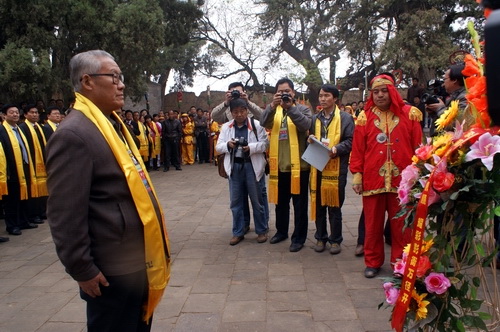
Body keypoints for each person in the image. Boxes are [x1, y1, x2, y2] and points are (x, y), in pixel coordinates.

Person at [45, 50, 170, 332]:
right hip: (112, 268)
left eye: (120, 77)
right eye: (114, 77)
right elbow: (65, 212)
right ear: (87, 81)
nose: (121, 84)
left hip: (138, 258)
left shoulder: (112, 125)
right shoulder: (73, 134)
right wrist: (82, 268)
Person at [350, 73, 423, 278]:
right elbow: (358, 150)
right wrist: (357, 175)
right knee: (372, 224)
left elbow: (419, 148)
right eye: (376, 92)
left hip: (403, 181)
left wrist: (420, 175)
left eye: (384, 91)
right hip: (373, 178)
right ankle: (372, 261)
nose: (380, 95)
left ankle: (400, 264)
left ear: (392, 91)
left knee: (401, 226)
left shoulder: (410, 114)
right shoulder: (364, 117)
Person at [260, 78, 312, 252]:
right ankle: (281, 231)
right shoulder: (275, 110)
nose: (284, 95)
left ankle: (298, 237)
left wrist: (290, 108)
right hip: (279, 166)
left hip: (300, 167)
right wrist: (272, 106)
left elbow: (306, 125)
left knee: (299, 205)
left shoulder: (303, 108)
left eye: (287, 92)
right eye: (280, 92)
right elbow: (262, 122)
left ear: (293, 92)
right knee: (280, 203)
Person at [216, 98, 269, 245]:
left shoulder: (256, 125)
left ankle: (261, 230)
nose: (239, 114)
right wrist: (228, 144)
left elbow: (265, 144)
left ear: (247, 110)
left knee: (257, 200)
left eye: (242, 111)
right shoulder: (226, 127)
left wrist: (251, 148)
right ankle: (238, 232)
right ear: (231, 113)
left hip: (252, 166)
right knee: (236, 202)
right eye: (235, 112)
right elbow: (218, 147)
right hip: (235, 167)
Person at [308, 84, 354, 254]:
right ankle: (320, 238)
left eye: (327, 96)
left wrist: (337, 149)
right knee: (319, 205)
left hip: (336, 168)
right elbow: (311, 138)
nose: (323, 99)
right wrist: (311, 139)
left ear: (335, 99)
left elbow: (350, 141)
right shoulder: (315, 119)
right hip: (318, 167)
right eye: (321, 96)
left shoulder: (345, 118)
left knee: (334, 206)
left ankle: (335, 240)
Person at [0, 104, 39, 235]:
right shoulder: (2, 131)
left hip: (24, 167)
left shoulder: (19, 129)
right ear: (4, 115)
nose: (15, 114)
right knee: (11, 200)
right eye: (11, 112)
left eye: (17, 112)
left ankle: (23, 221)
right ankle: (12, 225)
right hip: (11, 170)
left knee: (23, 197)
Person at [19, 104, 48, 224]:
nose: (35, 114)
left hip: (41, 162)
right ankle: (33, 214)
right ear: (25, 114)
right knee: (32, 189)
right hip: (30, 164)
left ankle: (42, 211)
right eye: (32, 112)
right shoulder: (23, 128)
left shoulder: (41, 128)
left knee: (44, 188)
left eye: (36, 112)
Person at [426, 63, 469, 135]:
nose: (443, 84)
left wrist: (440, 109)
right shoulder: (453, 96)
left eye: (444, 79)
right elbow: (443, 124)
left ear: (454, 80)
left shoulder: (466, 97)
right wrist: (434, 112)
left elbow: (460, 124)